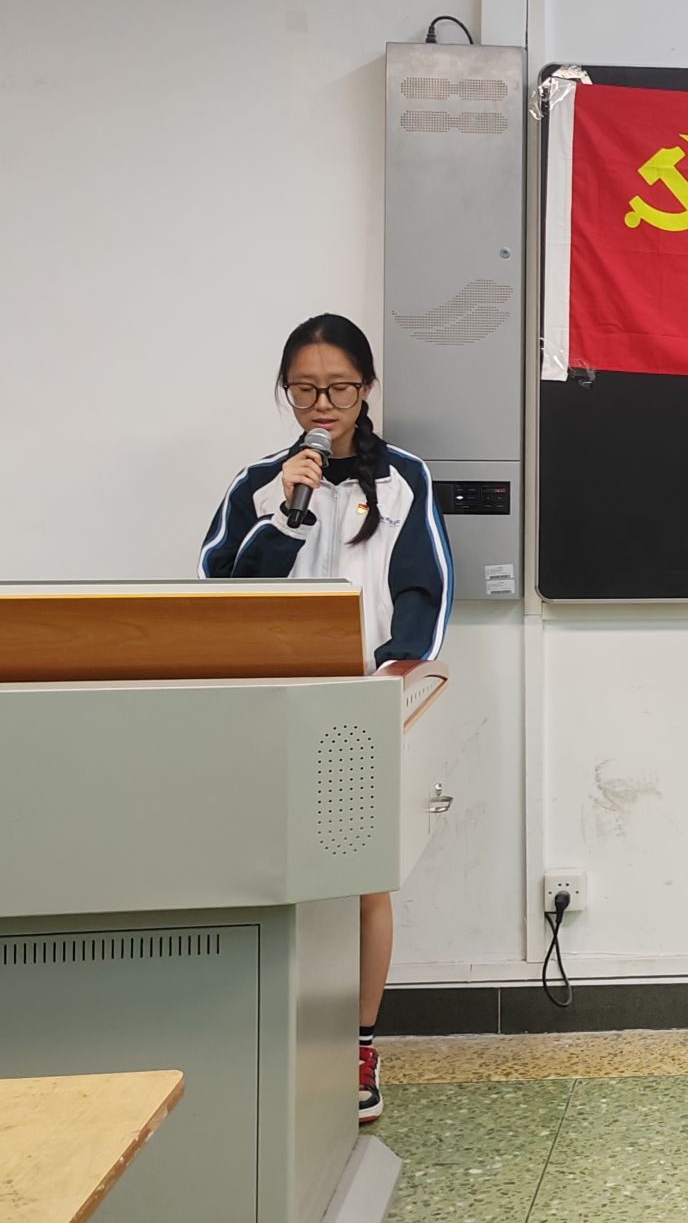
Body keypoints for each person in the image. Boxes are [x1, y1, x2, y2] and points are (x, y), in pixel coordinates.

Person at [199, 313, 451, 1124]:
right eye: (305, 389)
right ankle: (277, 1039)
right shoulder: (260, 483)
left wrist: (388, 679)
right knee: (273, 876)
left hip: (362, 709)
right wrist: (286, 512)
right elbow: (223, 593)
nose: (323, 404)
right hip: (271, 705)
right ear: (287, 392)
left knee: (364, 881)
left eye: (339, 387)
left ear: (366, 388)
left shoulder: (404, 477)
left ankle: (357, 1045)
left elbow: (425, 592)